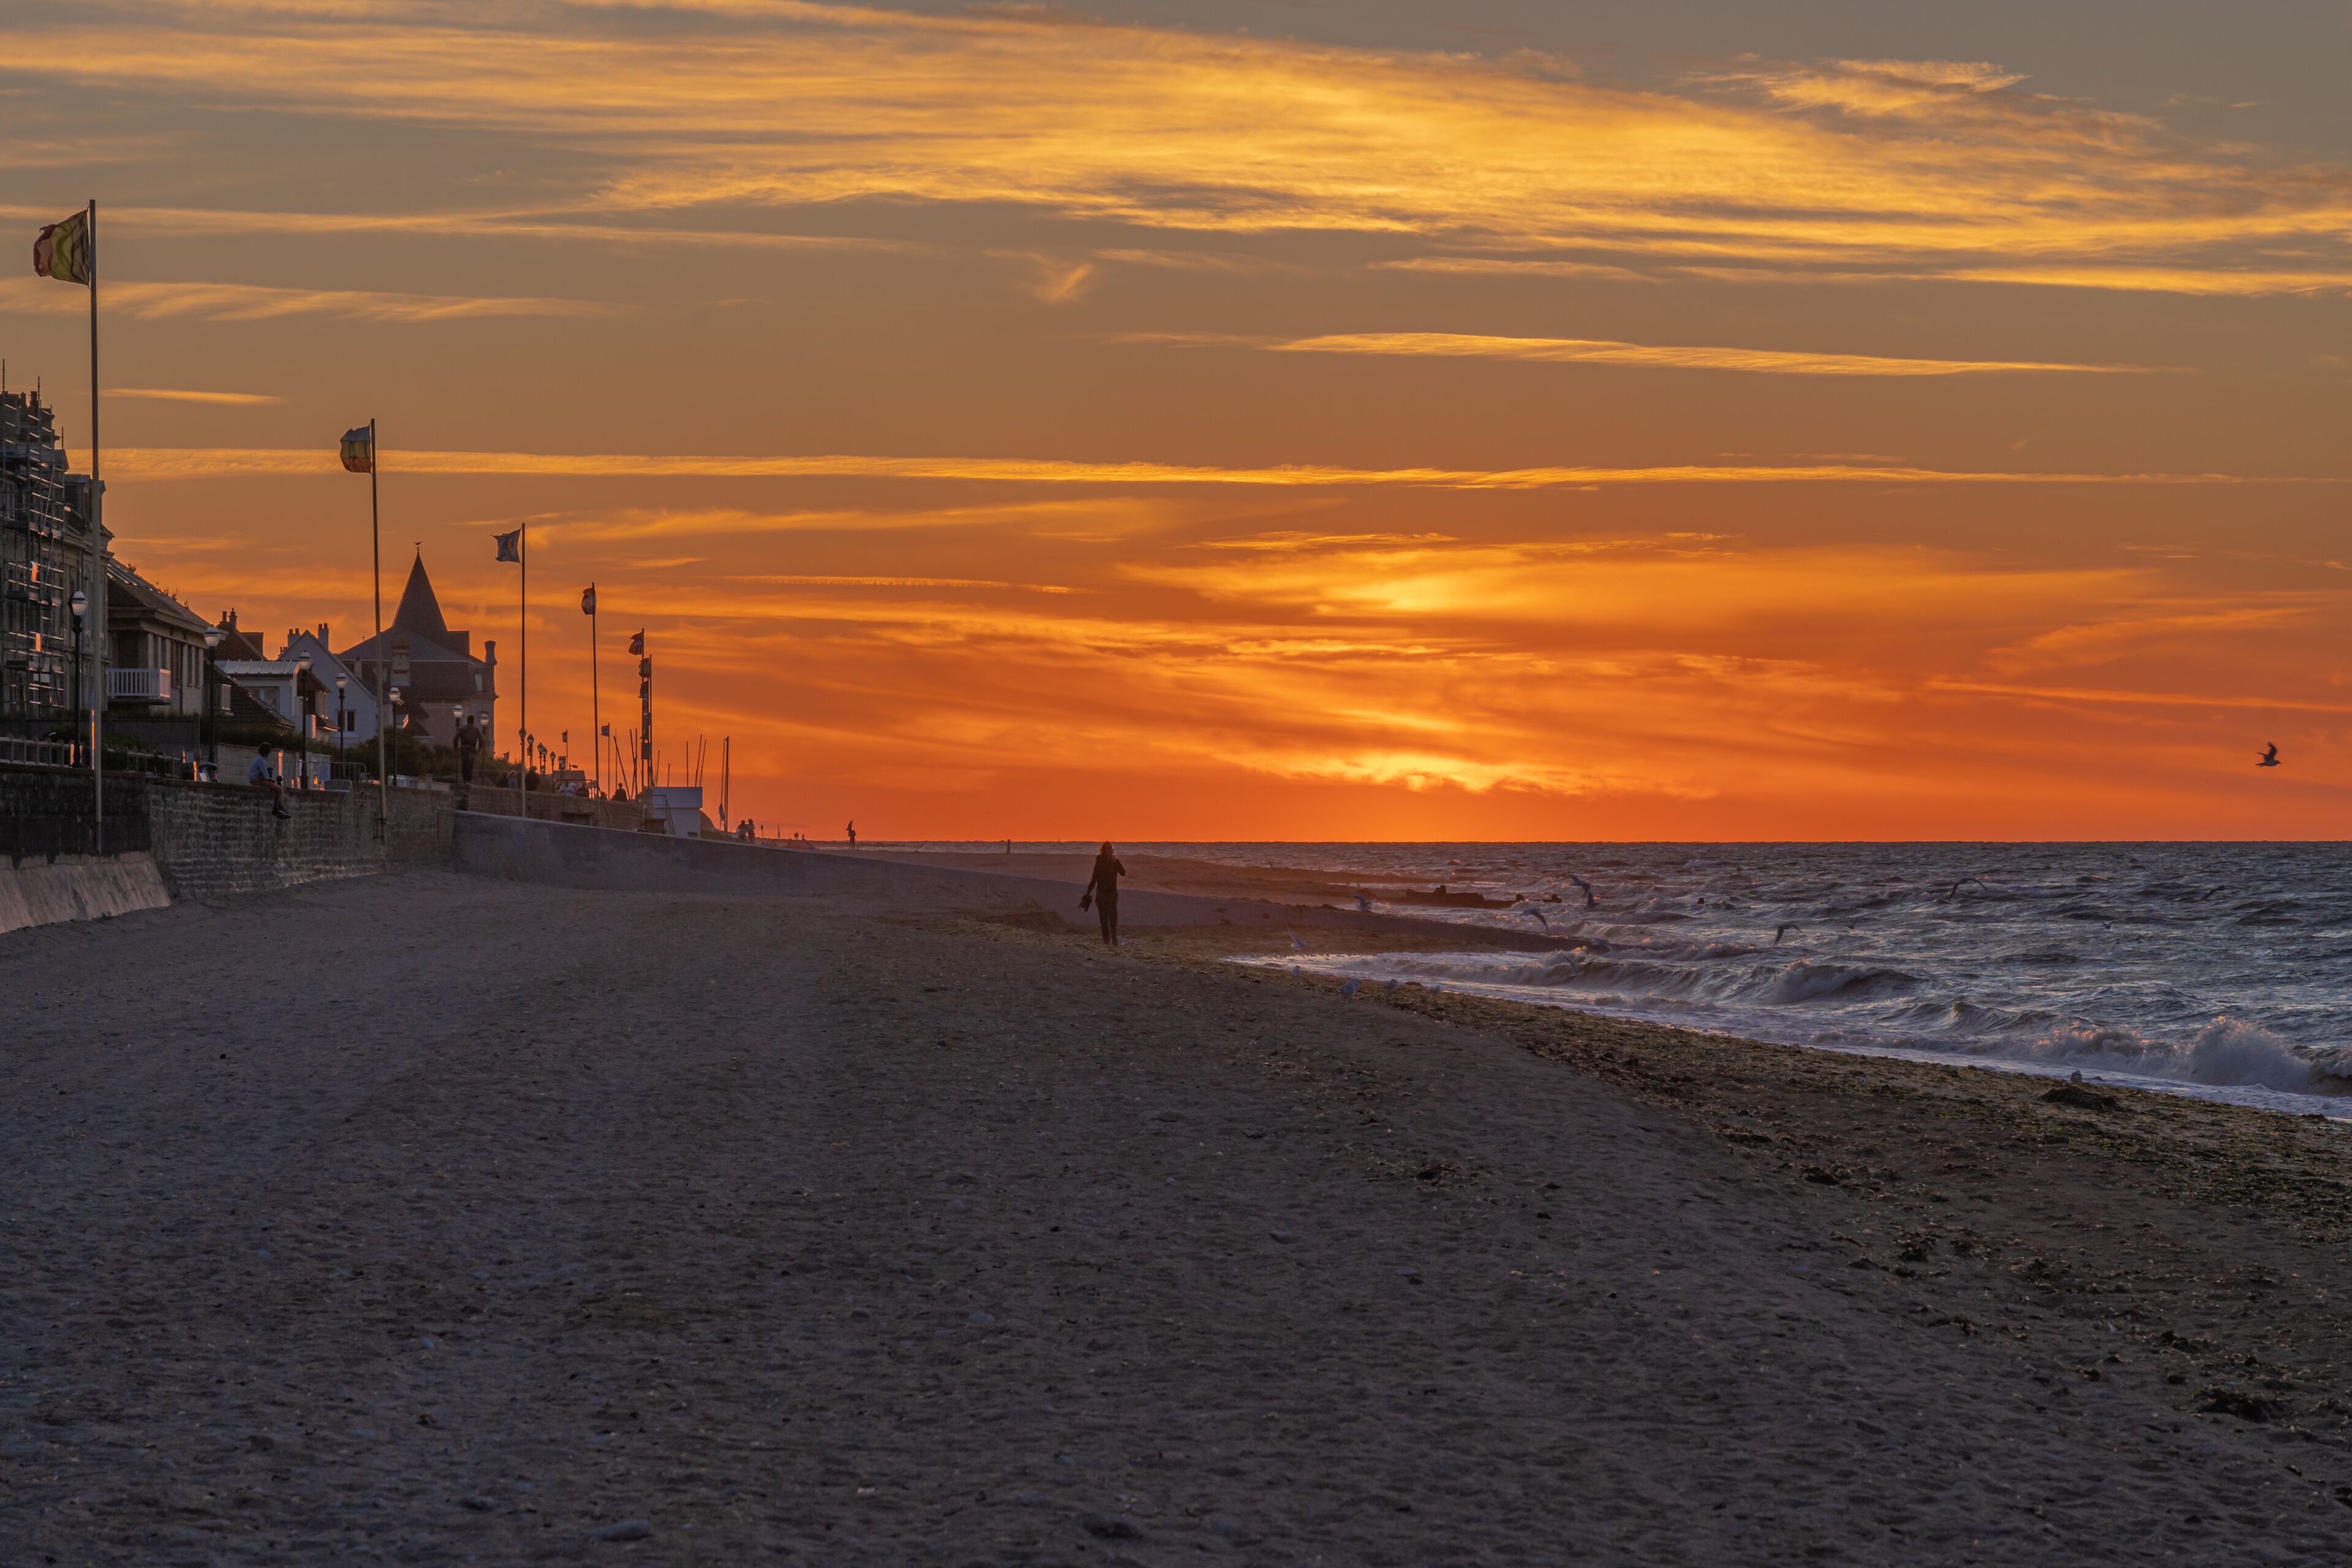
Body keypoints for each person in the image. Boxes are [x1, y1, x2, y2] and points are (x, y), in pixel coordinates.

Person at [1080, 841, 1126, 946]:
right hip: (1101, 893)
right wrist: (1088, 891)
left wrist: (1116, 863)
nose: (1110, 849)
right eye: (1108, 848)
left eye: (1111, 847)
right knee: (1103, 917)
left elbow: (1123, 873)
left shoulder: (1116, 861)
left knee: (1113, 916)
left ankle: (1114, 938)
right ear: (1104, 850)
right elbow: (1095, 876)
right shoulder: (1099, 861)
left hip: (1112, 893)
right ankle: (1106, 939)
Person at [248, 747, 291, 820]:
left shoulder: (258, 759)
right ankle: (276, 808)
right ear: (268, 753)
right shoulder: (261, 761)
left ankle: (281, 807)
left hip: (256, 779)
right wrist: (268, 779)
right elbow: (266, 775)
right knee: (279, 789)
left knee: (277, 787)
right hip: (257, 780)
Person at [454, 715, 482, 789]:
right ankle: (468, 781)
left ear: (467, 721)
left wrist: (456, 747)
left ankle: (465, 780)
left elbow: (456, 738)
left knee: (464, 764)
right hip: (472, 748)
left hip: (464, 748)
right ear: (473, 721)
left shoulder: (462, 729)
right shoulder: (476, 729)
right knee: (470, 764)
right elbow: (481, 739)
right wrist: (479, 748)